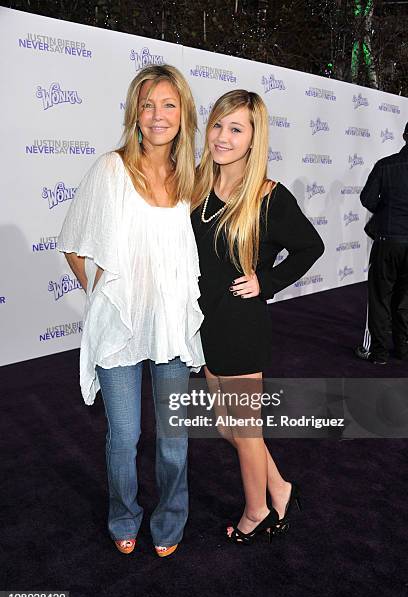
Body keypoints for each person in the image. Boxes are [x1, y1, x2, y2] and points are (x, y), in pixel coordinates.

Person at [57, 64, 204, 557]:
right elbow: (73, 244)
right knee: (124, 437)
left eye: (168, 104)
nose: (158, 115)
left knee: (174, 439)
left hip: (171, 328)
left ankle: (170, 521)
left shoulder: (192, 179)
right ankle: (124, 515)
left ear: (183, 113)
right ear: (134, 114)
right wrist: (103, 296)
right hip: (120, 328)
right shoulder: (110, 169)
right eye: (148, 105)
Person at [191, 90, 324, 544]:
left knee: (245, 432)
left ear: (253, 138)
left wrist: (265, 282)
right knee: (228, 427)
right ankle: (281, 488)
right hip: (206, 325)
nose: (223, 137)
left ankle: (258, 511)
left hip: (242, 327)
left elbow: (311, 247)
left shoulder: (268, 196)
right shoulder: (197, 187)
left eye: (236, 128)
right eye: (218, 125)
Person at [355, 122, 408, 365]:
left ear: (405, 135)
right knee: (405, 299)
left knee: (380, 298)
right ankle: (404, 351)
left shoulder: (385, 165)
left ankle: (379, 354)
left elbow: (367, 198)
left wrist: (384, 211)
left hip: (387, 240)